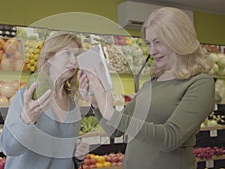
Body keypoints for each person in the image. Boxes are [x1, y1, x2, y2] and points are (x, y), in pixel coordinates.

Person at [78, 7, 214, 169]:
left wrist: (110, 112)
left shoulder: (200, 83)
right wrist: (96, 103)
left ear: (178, 39)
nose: (152, 51)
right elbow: (115, 131)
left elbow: (170, 138)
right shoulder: (152, 83)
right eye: (148, 43)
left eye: (158, 42)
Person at [0, 32, 89, 169]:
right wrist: (27, 119)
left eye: (76, 55)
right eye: (67, 53)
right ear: (49, 58)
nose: (74, 61)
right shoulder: (27, 97)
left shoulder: (73, 105)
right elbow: (8, 148)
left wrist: (77, 157)